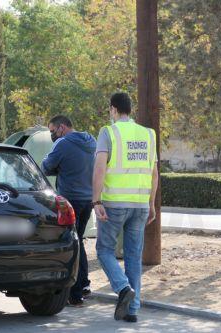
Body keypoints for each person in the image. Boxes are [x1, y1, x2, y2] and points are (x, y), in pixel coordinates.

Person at [92, 92, 158, 322]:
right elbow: (154, 173)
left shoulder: (108, 132)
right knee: (133, 256)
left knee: (104, 250)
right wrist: (151, 204)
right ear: (130, 109)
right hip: (140, 205)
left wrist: (96, 200)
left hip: (114, 204)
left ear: (113, 109)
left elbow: (100, 168)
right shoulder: (149, 134)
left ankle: (122, 288)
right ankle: (133, 310)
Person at [42, 115, 96, 306]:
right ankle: (84, 285)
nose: (52, 135)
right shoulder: (92, 142)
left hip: (70, 200)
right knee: (79, 241)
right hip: (88, 200)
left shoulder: (62, 144)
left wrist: (60, 169)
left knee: (72, 243)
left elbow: (46, 166)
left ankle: (74, 294)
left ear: (62, 128)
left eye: (52, 131)